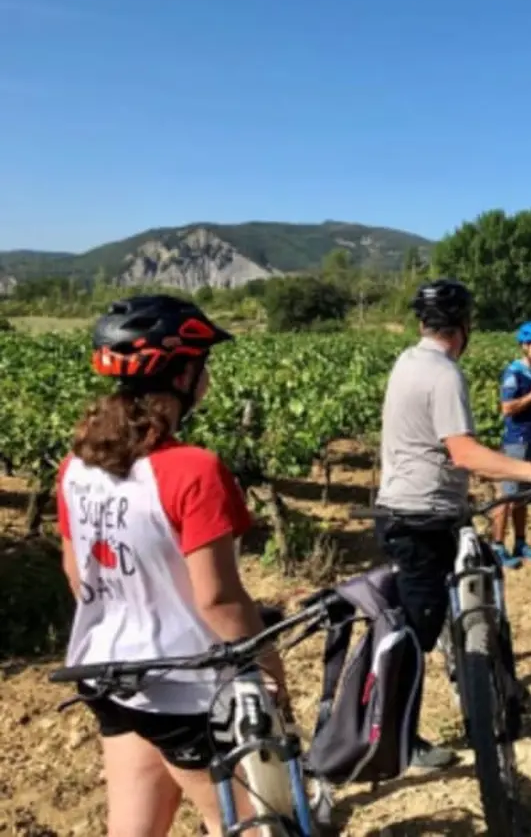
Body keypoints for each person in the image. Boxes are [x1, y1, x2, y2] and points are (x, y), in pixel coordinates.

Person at [57, 295, 281, 836]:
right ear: (181, 374)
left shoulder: (76, 464)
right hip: (184, 685)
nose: (205, 379)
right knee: (253, 825)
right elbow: (218, 600)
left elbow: (76, 573)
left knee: (134, 827)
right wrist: (269, 669)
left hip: (109, 674)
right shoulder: (193, 470)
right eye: (201, 366)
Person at [376, 279, 531, 769]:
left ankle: (490, 690)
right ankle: (398, 740)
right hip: (420, 517)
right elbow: (465, 453)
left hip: (416, 510)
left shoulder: (408, 360)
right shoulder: (444, 373)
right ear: (463, 327)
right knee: (413, 635)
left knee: (448, 601)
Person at [491, 320, 531, 568]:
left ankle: (520, 542)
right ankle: (497, 546)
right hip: (516, 441)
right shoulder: (513, 373)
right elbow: (507, 408)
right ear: (525, 347)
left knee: (525, 495)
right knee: (507, 495)